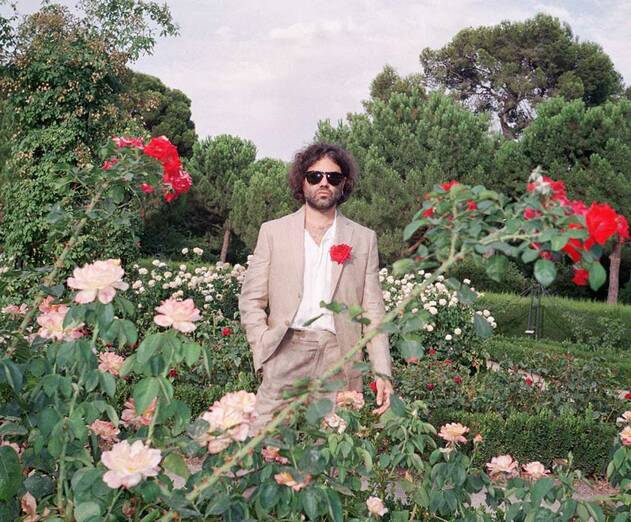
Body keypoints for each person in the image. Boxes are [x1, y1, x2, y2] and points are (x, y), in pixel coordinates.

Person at [238, 142, 393, 430]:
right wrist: (263, 348)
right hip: (285, 349)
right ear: (302, 180)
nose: (324, 183)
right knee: (264, 441)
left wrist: (382, 371)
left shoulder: (363, 239)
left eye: (333, 177)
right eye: (315, 176)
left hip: (339, 355)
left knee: (333, 447)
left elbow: (373, 312)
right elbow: (251, 299)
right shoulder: (273, 232)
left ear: (343, 184)